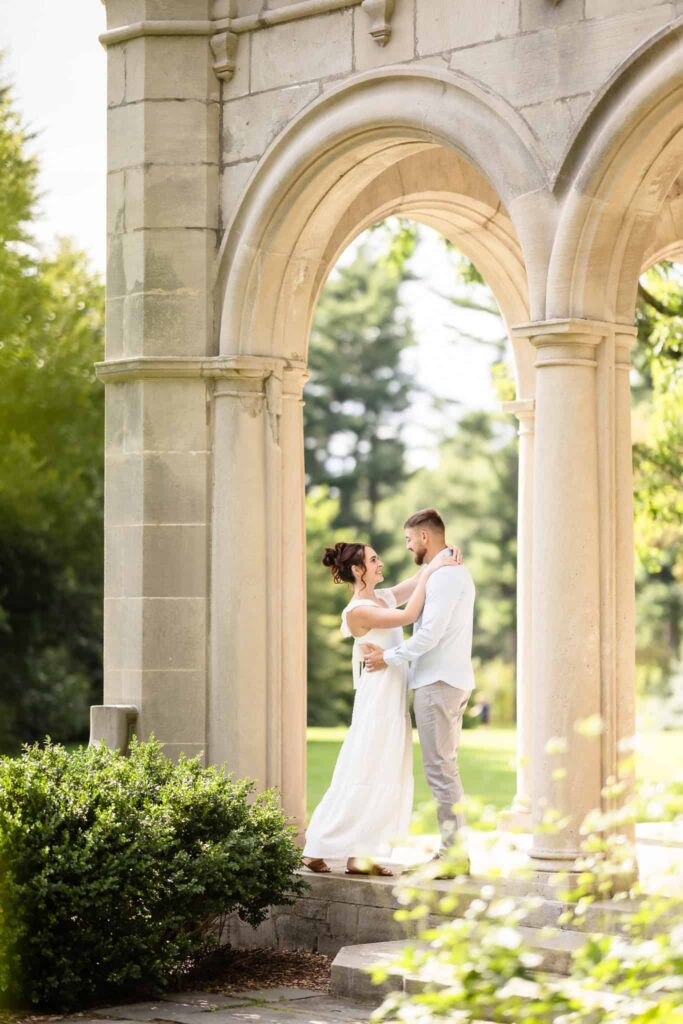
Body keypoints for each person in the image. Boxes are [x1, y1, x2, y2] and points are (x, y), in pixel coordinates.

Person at [302, 539, 461, 876]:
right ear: (357, 570)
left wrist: (445, 554)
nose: (380, 563)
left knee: (384, 772)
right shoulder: (358, 610)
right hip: (377, 703)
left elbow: (418, 583)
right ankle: (317, 844)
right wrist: (433, 568)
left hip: (393, 702)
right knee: (363, 770)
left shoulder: (381, 597)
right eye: (373, 560)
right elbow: (410, 613)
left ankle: (363, 855)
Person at [362, 509, 476, 865]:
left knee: (440, 770)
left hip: (438, 684)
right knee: (445, 768)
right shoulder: (444, 572)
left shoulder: (444, 578)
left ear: (425, 538)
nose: (407, 547)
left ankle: (453, 854)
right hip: (449, 682)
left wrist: (388, 657)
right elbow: (393, 598)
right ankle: (454, 850)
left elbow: (428, 635)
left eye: (409, 540)